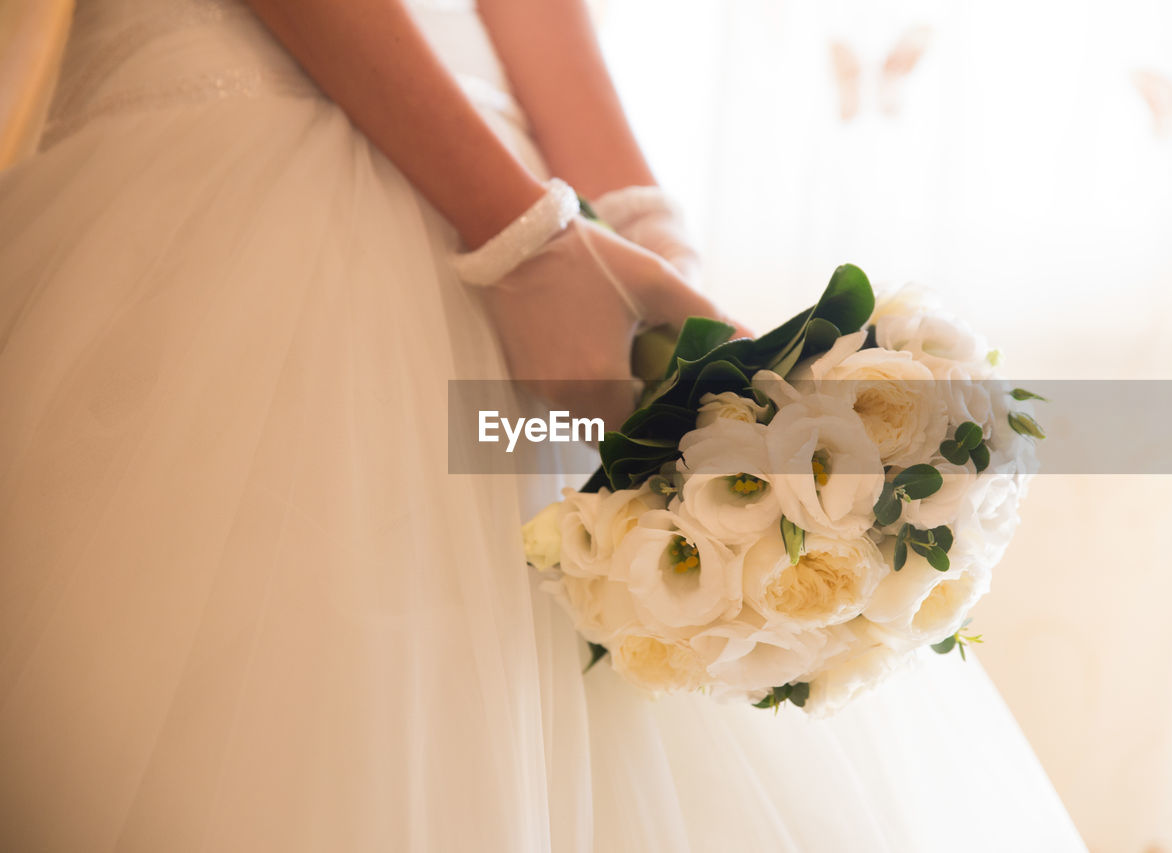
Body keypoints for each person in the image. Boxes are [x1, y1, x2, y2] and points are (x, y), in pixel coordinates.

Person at [0, 0, 1087, 849]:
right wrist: (520, 237)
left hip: (523, 215)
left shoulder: (547, 245)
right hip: (256, 177)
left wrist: (686, 309)